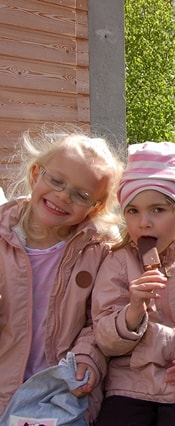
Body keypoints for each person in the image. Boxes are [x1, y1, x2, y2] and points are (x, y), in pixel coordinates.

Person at [92, 142, 175, 425]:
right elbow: (104, 337)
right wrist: (133, 311)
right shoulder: (118, 262)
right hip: (129, 386)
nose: (144, 222)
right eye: (133, 211)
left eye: (157, 210)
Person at [0, 130, 124, 423]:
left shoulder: (99, 249)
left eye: (81, 195)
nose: (63, 196)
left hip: (61, 390)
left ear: (96, 208)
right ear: (36, 175)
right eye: (56, 181)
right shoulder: (3, 235)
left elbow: (99, 319)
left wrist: (87, 357)